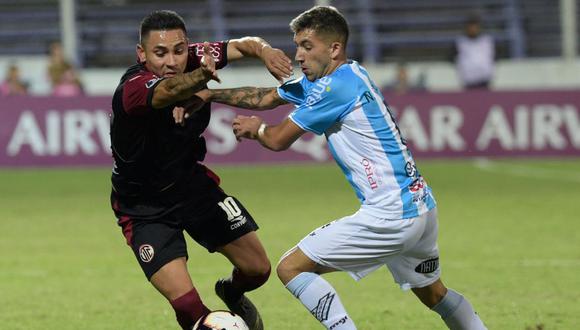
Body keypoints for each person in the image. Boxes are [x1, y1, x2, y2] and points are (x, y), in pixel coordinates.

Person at [195, 6, 487, 329]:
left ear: (334, 48)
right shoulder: (344, 76)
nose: (299, 56)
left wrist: (256, 129)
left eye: (307, 46)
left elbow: (277, 139)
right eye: (297, 46)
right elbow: (266, 97)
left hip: (391, 213)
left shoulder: (335, 88)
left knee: (291, 268)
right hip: (421, 207)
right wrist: (209, 95)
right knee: (433, 293)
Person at [109, 10, 292, 330]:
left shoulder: (196, 58)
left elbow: (243, 44)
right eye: (160, 52)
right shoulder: (133, 88)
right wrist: (200, 78)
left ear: (187, 47)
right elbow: (167, 91)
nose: (171, 60)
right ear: (142, 54)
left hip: (193, 188)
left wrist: (265, 50)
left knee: (258, 270)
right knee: (191, 310)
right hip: (143, 208)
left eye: (179, 51)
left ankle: (231, 293)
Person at [453, 14, 495, 90]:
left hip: (485, 79)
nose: (473, 29)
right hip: (468, 80)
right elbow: (453, 58)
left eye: (475, 27)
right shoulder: (460, 42)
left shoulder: (486, 41)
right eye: (471, 27)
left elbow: (493, 57)